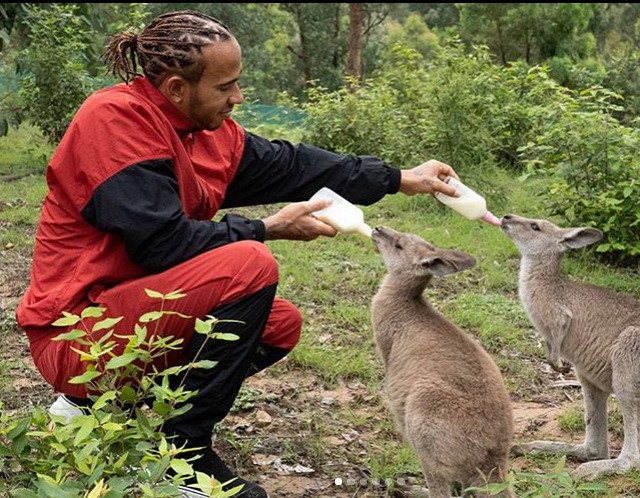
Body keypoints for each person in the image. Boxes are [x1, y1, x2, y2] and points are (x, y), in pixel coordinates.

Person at [15, 9, 460, 498]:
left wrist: (400, 179)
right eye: (224, 86)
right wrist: (268, 228)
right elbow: (162, 243)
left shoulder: (207, 134)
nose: (237, 97)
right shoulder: (114, 121)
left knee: (278, 323)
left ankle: (99, 409)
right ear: (176, 89)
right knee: (249, 264)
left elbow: (293, 165)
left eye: (237, 83)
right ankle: (181, 454)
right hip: (77, 336)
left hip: (129, 320)